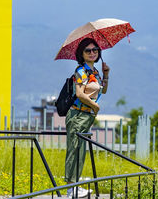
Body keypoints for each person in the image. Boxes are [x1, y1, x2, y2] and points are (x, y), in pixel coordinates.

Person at [65, 38, 109, 198]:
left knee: (81, 150)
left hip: (86, 115)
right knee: (74, 149)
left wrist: (106, 74)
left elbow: (102, 91)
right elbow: (79, 94)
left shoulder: (95, 72)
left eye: (95, 50)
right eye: (88, 50)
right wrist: (94, 106)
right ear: (81, 54)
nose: (92, 53)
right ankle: (71, 189)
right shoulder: (81, 71)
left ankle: (75, 186)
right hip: (78, 114)